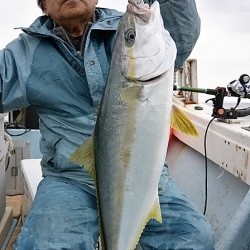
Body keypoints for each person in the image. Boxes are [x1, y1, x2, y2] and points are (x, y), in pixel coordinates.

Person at [0, 0, 215, 249]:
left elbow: (181, 28)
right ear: (44, 6)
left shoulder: (128, 28)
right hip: (68, 179)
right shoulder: (23, 55)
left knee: (194, 238)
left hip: (144, 176)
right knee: (42, 244)